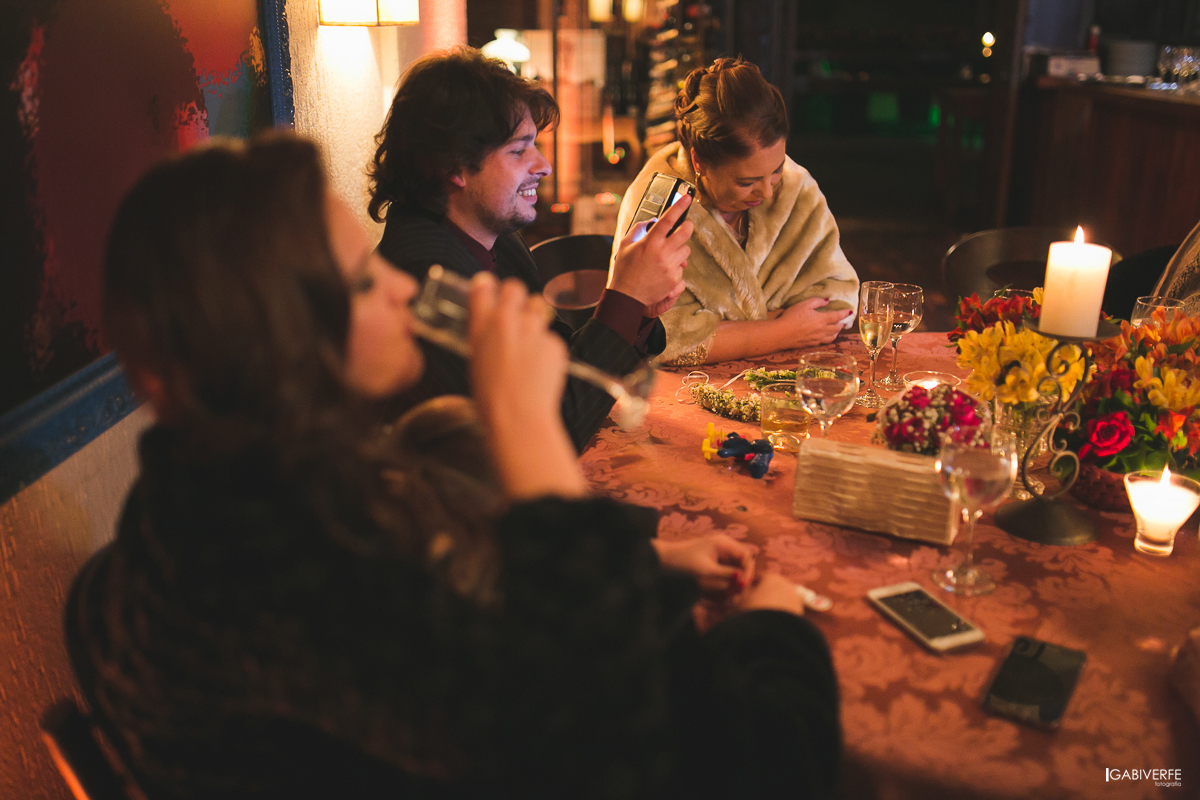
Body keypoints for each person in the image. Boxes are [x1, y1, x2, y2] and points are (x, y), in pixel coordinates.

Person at [67, 134, 841, 799]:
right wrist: (773, 630)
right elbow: (730, 767)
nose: (403, 284)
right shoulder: (343, 587)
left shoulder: (181, 527)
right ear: (287, 340)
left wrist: (647, 565)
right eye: (367, 281)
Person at [369, 48, 692, 452]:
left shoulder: (498, 239)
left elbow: (560, 363)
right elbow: (551, 432)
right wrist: (623, 296)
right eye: (519, 150)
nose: (544, 165)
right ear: (455, 166)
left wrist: (637, 311)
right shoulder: (425, 277)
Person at [614, 57, 860, 365]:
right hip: (685, 391)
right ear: (699, 161)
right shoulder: (655, 207)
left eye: (776, 170)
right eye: (747, 182)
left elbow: (839, 300)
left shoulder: (797, 189)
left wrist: (729, 332)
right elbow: (659, 338)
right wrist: (782, 331)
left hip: (793, 375)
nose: (768, 191)